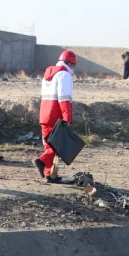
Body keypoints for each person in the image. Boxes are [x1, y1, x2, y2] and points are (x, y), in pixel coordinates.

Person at [35, 49, 77, 181]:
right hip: (56, 116)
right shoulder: (64, 75)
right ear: (70, 63)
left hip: (45, 114)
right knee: (57, 146)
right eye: (73, 65)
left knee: (49, 145)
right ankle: (41, 161)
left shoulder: (48, 75)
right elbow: (64, 99)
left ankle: (49, 175)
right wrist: (67, 118)